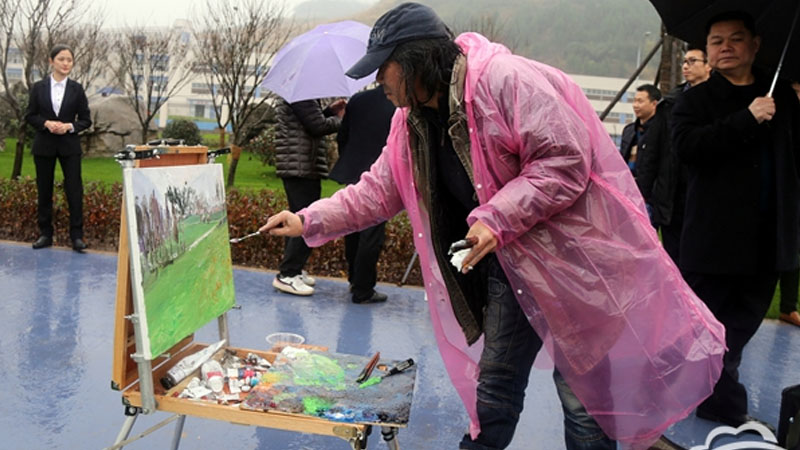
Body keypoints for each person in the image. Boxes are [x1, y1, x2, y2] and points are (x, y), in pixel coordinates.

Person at [260, 3, 725, 448]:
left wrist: (495, 219)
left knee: (582, 393)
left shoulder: (505, 81)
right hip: (508, 266)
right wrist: (306, 219)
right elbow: (379, 190)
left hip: (573, 267)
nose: (378, 80)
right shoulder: (412, 120)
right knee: (497, 377)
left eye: (385, 68)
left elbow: (564, 159)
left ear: (416, 60)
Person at [672, 11, 800, 428]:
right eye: (716, 41)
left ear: (756, 45)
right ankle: (725, 407)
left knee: (738, 329)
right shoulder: (695, 100)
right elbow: (688, 148)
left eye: (736, 39)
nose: (725, 48)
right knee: (711, 330)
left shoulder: (781, 96)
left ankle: (707, 390)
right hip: (715, 240)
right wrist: (746, 119)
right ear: (707, 50)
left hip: (767, 241)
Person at [635, 48, 711, 263]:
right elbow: (652, 152)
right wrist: (644, 192)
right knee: (672, 256)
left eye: (692, 61)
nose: (686, 66)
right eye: (684, 61)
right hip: (672, 192)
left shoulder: (717, 102)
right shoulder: (669, 104)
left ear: (708, 65)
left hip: (703, 190)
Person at [271, 97, 345, 296]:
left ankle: (292, 269)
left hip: (299, 165)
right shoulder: (301, 93)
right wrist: (346, 120)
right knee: (304, 219)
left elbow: (309, 119)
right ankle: (288, 274)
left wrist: (329, 110)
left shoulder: (298, 92)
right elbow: (317, 126)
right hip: (300, 166)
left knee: (297, 217)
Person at [329, 85, 396, 304]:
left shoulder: (358, 100)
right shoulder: (399, 105)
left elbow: (342, 136)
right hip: (380, 174)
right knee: (372, 233)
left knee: (353, 227)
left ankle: (354, 280)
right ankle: (363, 289)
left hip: (354, 171)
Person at [25, 44, 91, 252]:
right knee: (44, 190)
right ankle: (45, 234)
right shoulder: (38, 87)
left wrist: (69, 126)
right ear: (51, 61)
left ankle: (77, 236)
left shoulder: (77, 89)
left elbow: (86, 120)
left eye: (69, 60)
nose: (65, 63)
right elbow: (30, 115)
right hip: (44, 145)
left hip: (69, 146)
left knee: (74, 191)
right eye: (61, 59)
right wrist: (46, 123)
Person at [619, 84, 660, 175]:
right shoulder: (629, 130)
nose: (635, 105)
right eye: (634, 101)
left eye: (640, 102)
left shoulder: (661, 131)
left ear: (654, 104)